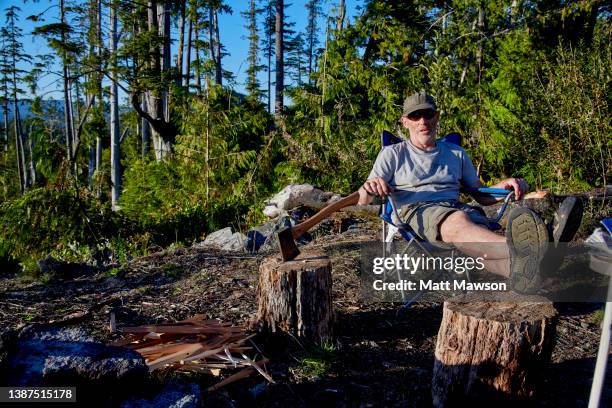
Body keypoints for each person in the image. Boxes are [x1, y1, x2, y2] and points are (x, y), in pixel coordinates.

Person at [357, 92, 582, 293]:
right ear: (405, 122)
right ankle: (532, 249)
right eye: (415, 116)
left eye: (428, 114)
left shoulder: (455, 153)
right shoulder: (392, 154)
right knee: (459, 222)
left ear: (437, 117)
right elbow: (362, 200)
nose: (423, 121)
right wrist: (370, 187)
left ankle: (527, 269)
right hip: (415, 212)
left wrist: (504, 184)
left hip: (457, 209)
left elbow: (480, 194)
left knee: (472, 231)